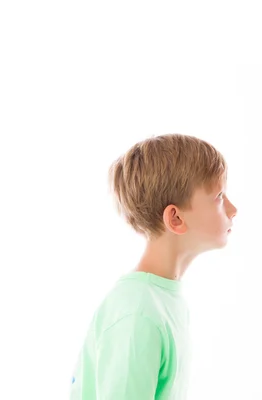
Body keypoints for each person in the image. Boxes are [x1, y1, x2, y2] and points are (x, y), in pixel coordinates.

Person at [69, 133, 237, 400]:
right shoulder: (138, 312)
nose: (233, 209)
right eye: (218, 196)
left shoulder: (163, 299)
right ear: (176, 218)